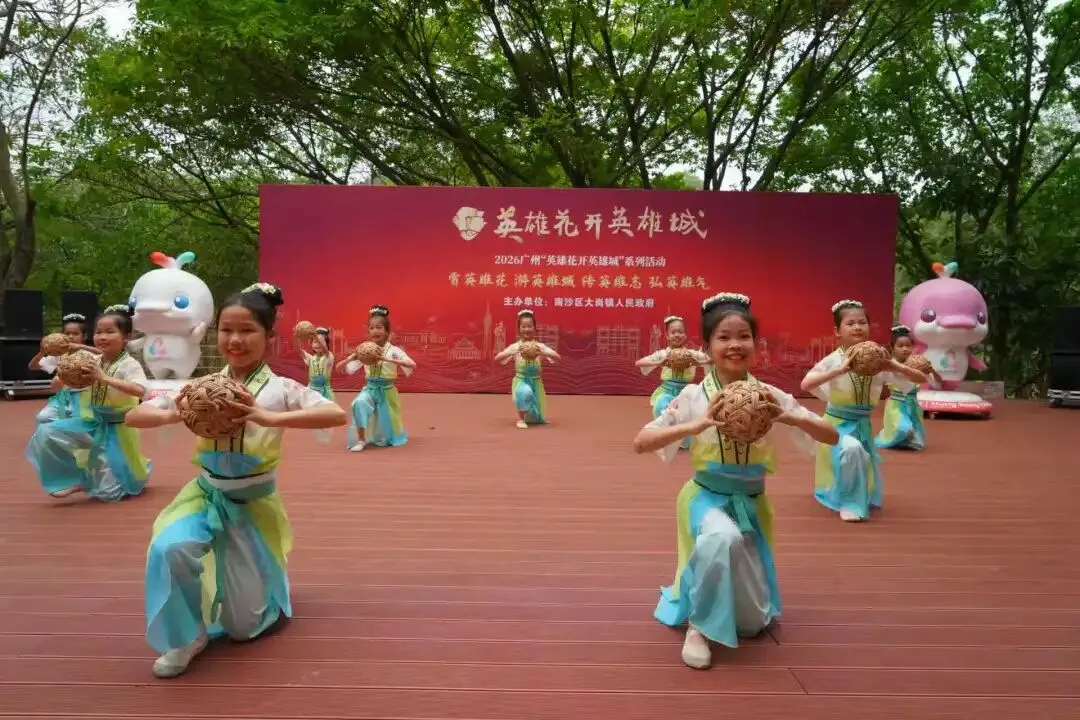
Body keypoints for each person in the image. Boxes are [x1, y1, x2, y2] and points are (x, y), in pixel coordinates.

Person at [126, 282, 347, 678]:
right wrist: (175, 412)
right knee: (170, 547)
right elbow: (134, 416)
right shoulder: (202, 388)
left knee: (244, 628)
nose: (235, 340)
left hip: (251, 504)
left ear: (269, 336)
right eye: (227, 330)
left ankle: (267, 587)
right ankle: (186, 636)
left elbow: (335, 414)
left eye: (247, 330)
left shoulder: (280, 389)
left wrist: (269, 417)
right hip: (205, 494)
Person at [633, 292, 838, 670]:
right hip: (705, 497)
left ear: (755, 345)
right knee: (720, 538)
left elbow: (831, 436)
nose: (735, 345)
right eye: (723, 337)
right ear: (707, 347)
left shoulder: (770, 396)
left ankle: (728, 604)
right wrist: (693, 426)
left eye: (744, 336)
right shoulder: (693, 395)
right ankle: (699, 627)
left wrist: (791, 417)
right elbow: (641, 442)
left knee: (753, 621)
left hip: (752, 502)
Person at [800, 300, 928, 522]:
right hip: (836, 425)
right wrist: (839, 370)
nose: (857, 327)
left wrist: (894, 365)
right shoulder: (834, 360)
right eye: (850, 323)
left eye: (862, 322)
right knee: (852, 450)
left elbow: (921, 378)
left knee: (859, 455)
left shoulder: (878, 360)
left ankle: (855, 497)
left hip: (862, 424)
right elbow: (806, 384)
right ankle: (850, 503)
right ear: (837, 331)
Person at [25, 305, 150, 500]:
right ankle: (78, 478)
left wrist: (103, 378)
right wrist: (64, 377)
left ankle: (107, 475)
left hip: (118, 428)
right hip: (92, 422)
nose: (102, 337)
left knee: (108, 494)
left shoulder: (129, 364)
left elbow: (140, 390)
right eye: (98, 332)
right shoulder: (94, 360)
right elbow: (68, 378)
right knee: (48, 433)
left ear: (126, 336)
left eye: (109, 332)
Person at [336, 305, 416, 451]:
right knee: (358, 403)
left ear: (387, 331)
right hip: (370, 389)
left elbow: (412, 365)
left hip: (387, 392)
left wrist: (388, 359)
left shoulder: (394, 351)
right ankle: (361, 440)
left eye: (379, 327)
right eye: (371, 328)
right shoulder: (365, 350)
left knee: (383, 439)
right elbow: (338, 368)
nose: (375, 331)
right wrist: (351, 358)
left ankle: (386, 434)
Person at [635, 315, 710, 448]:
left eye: (680, 332)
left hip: (686, 392)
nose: (677, 335)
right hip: (667, 391)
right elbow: (639, 363)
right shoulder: (663, 354)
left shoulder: (692, 354)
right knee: (661, 406)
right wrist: (660, 362)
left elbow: (711, 360)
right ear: (667, 336)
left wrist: (697, 362)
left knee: (690, 414)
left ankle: (684, 442)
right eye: (673, 332)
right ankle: (665, 438)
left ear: (685, 334)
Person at [492, 308, 561, 429]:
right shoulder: (516, 347)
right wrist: (511, 352)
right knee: (525, 392)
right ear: (519, 329)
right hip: (521, 381)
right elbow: (497, 358)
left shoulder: (539, 346)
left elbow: (557, 357)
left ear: (534, 328)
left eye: (529, 326)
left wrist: (543, 353)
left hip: (536, 381)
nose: (526, 329)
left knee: (535, 415)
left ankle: (536, 416)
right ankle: (520, 419)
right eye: (523, 326)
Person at [28, 313, 99, 425]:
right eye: (67, 333)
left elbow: (103, 355)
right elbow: (32, 366)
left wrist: (82, 346)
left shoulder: (89, 354)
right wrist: (42, 352)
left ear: (84, 336)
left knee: (80, 422)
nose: (71, 336)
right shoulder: (59, 354)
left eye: (75, 333)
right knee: (42, 417)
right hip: (64, 397)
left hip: (85, 397)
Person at [875, 324, 928, 450]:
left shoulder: (917, 363)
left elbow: (927, 378)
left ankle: (904, 439)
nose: (905, 349)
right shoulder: (889, 364)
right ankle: (895, 436)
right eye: (900, 346)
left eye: (908, 345)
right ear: (892, 347)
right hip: (896, 405)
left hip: (913, 404)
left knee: (916, 440)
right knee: (904, 428)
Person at [301, 326, 335, 401]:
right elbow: (298, 349)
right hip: (311, 392)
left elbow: (324, 349)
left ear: (327, 344)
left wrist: (315, 336)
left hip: (325, 393)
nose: (318, 344)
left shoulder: (329, 356)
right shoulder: (310, 358)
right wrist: (297, 336)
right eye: (315, 342)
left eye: (321, 342)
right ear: (311, 344)